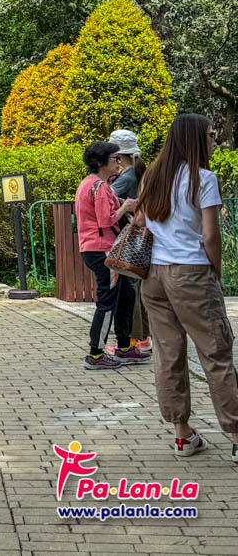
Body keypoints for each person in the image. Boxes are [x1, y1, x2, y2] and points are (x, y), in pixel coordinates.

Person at [138, 114, 238, 460]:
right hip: (191, 273)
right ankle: (237, 434)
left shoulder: (151, 176)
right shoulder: (203, 179)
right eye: (210, 135)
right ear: (196, 140)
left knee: (168, 355)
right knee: (216, 353)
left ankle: (182, 435)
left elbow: (142, 222)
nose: (213, 141)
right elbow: (210, 235)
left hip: (154, 276)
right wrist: (216, 271)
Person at [74, 142, 147, 370]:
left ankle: (124, 347)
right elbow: (106, 220)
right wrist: (125, 207)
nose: (118, 162)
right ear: (102, 161)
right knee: (107, 302)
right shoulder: (99, 187)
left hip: (95, 248)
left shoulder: (90, 184)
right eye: (115, 158)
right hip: (103, 249)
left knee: (126, 295)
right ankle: (96, 353)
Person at [109, 129, 151, 352]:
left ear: (118, 155)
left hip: (129, 237)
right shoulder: (141, 172)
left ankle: (134, 340)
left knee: (129, 287)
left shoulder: (126, 177)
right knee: (138, 285)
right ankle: (145, 336)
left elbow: (104, 197)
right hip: (144, 236)